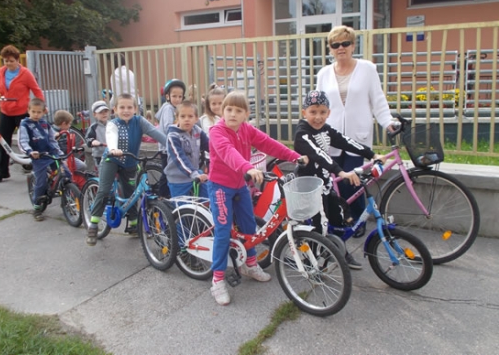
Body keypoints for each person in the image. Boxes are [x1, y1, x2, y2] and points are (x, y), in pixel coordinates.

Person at [208, 91, 308, 306]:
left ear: (246, 114)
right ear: (222, 111)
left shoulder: (246, 129)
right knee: (223, 231)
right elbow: (228, 152)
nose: (232, 114)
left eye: (238, 110)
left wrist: (294, 156)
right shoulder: (217, 131)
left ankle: (250, 264)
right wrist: (248, 167)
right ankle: (217, 280)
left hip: (240, 185)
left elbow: (268, 143)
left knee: (249, 226)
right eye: (228, 109)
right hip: (220, 187)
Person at [316, 25, 394, 236]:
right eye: (335, 45)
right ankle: (339, 221)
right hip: (331, 137)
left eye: (345, 43)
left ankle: (358, 222)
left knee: (355, 183)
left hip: (357, 137)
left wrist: (388, 122)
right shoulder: (323, 74)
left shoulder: (367, 69)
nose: (340, 48)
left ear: (353, 46)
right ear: (330, 49)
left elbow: (378, 100)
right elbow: (318, 105)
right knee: (335, 184)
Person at [294, 90, 385, 269]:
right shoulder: (302, 133)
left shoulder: (326, 129)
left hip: (325, 183)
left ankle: (337, 250)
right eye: (313, 112)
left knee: (338, 217)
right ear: (304, 112)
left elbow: (345, 141)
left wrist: (372, 154)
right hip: (310, 187)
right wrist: (341, 172)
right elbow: (319, 154)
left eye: (322, 112)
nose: (318, 117)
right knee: (320, 225)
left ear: (328, 112)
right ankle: (312, 263)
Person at [86, 93, 166, 246]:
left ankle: (134, 224)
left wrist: (171, 144)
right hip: (112, 159)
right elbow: (111, 136)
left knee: (132, 193)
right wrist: (113, 149)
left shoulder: (139, 121)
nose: (126, 110)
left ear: (135, 109)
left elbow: (156, 133)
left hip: (130, 161)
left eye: (129, 107)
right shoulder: (113, 124)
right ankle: (93, 225)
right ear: (115, 110)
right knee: (104, 190)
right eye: (122, 107)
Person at [0, 45, 44, 182]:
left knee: (27, 140)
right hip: (6, 111)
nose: (8, 63)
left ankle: (33, 164)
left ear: (17, 60)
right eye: (6, 61)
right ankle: (3, 171)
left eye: (11, 61)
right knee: (3, 141)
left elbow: (36, 90)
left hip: (22, 112)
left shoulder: (25, 73)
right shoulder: (0, 73)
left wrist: (41, 106)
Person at [18, 98, 66, 221]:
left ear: (44, 112)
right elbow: (23, 141)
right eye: (33, 111)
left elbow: (52, 140)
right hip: (38, 157)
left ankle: (67, 197)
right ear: (28, 111)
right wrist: (30, 151)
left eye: (39, 112)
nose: (36, 114)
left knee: (65, 173)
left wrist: (59, 152)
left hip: (51, 154)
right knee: (41, 182)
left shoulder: (45, 124)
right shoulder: (25, 125)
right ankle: (37, 207)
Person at [165, 101, 209, 198]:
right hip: (178, 179)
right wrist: (193, 173)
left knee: (209, 198)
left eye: (190, 116)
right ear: (177, 118)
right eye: (183, 116)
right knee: (182, 205)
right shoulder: (173, 136)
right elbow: (179, 158)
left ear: (196, 118)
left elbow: (210, 146)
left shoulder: (197, 131)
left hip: (196, 174)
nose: (186, 119)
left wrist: (225, 156)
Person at [155, 79, 186, 198]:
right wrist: (181, 126)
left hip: (171, 146)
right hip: (166, 147)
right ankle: (162, 196)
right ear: (167, 96)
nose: (177, 99)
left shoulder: (175, 109)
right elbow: (169, 126)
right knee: (167, 172)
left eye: (180, 96)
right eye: (174, 96)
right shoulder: (168, 108)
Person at [85, 100, 110, 167]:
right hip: (99, 155)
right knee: (101, 170)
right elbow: (88, 138)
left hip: (111, 153)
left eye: (105, 111)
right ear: (94, 114)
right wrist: (92, 141)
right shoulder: (94, 127)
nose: (104, 114)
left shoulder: (112, 124)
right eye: (101, 112)